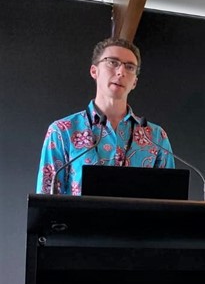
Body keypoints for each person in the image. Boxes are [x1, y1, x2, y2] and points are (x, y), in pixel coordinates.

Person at [36, 37, 175, 195]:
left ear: (135, 82)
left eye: (129, 67)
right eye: (113, 62)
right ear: (94, 71)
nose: (121, 72)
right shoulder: (62, 132)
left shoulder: (156, 137)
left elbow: (169, 200)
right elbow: (46, 197)